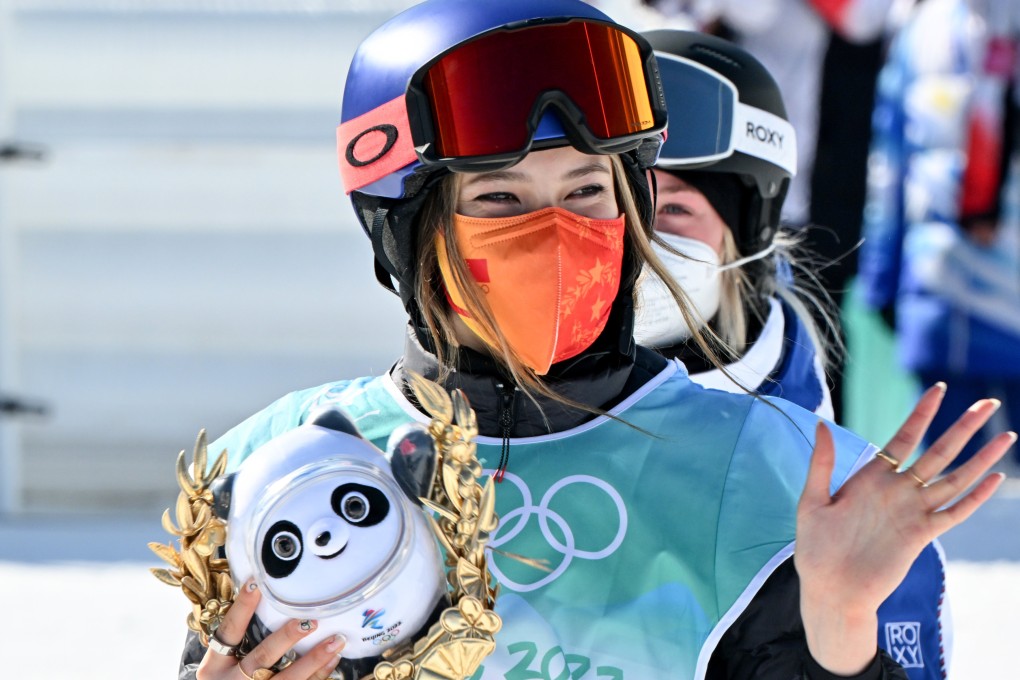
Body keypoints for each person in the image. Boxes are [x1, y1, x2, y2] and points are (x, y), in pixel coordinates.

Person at [177, 1, 1012, 679]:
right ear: (403, 230)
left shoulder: (778, 474)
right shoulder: (285, 470)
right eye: (500, 201)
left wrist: (837, 634)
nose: (554, 234)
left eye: (585, 192)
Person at [633, 30, 949, 679]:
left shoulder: (818, 473)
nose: (641, 241)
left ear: (744, 231)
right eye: (618, 206)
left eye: (674, 210)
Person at [858, 0, 1020, 469]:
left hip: (999, 294)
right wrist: (882, 274)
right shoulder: (921, 25)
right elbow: (890, 159)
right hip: (939, 298)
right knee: (946, 483)